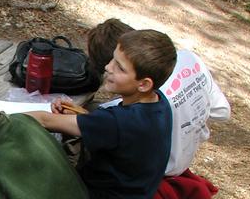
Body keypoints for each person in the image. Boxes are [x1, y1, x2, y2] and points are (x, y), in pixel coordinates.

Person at [30, 30, 176, 199]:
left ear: (144, 84)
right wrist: (80, 114)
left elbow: (45, 120)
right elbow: (115, 130)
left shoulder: (118, 122)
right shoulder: (158, 102)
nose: (108, 67)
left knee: (22, 197)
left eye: (120, 67)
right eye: (113, 60)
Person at [85, 18, 231, 176]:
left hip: (154, 173)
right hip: (180, 164)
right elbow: (222, 112)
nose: (109, 68)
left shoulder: (118, 112)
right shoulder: (189, 59)